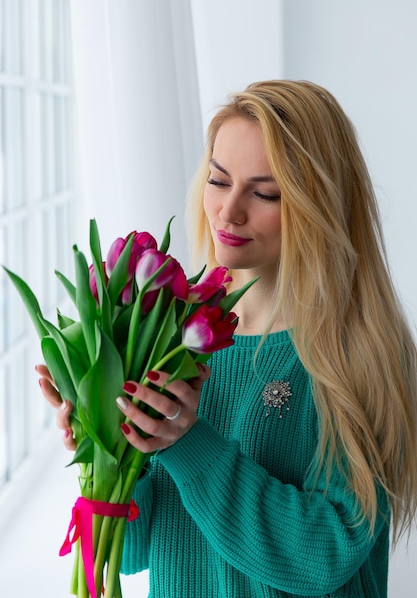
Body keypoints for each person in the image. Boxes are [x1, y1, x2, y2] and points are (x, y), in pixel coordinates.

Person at [38, 80, 417, 597]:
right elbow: (131, 551)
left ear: (320, 205)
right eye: (219, 181)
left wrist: (188, 442)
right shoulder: (165, 331)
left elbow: (324, 556)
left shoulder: (358, 353)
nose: (228, 212)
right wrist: (98, 440)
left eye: (264, 193)